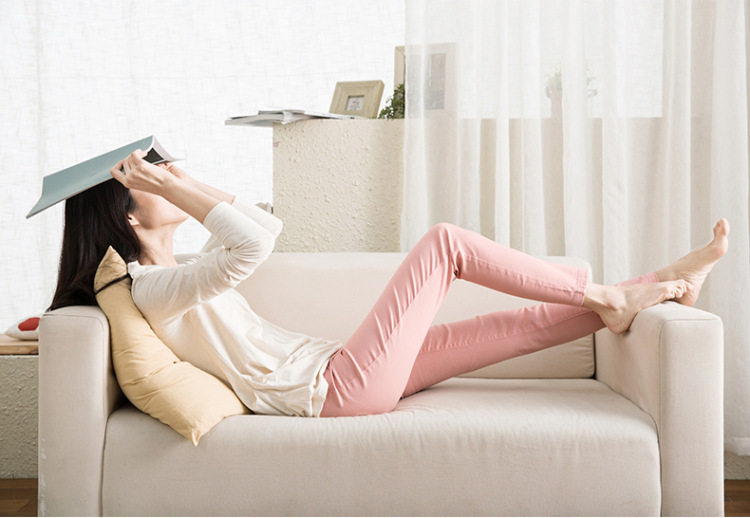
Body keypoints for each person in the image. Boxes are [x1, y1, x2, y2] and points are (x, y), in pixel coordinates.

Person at [50, 149, 729, 418]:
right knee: (445, 245)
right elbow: (256, 243)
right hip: (334, 390)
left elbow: (260, 223)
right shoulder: (148, 288)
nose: (171, 177)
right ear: (128, 212)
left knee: (503, 331)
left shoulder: (181, 273)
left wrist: (181, 178)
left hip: (339, 369)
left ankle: (654, 284)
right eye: (155, 179)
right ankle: (607, 296)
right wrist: (175, 185)